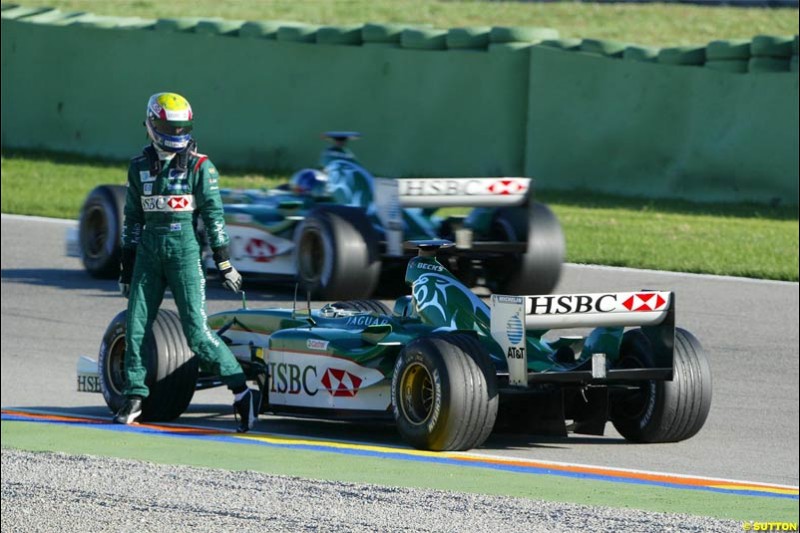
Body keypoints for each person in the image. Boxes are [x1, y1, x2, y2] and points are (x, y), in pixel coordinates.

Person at [114, 92, 259, 433]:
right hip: (149, 254)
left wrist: (223, 261)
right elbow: (132, 219)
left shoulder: (200, 166)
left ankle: (241, 393)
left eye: (182, 127)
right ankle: (134, 395)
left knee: (196, 333)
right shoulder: (138, 167)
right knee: (134, 327)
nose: (176, 132)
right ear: (151, 124)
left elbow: (214, 216)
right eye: (168, 125)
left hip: (184, 253)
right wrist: (126, 268)